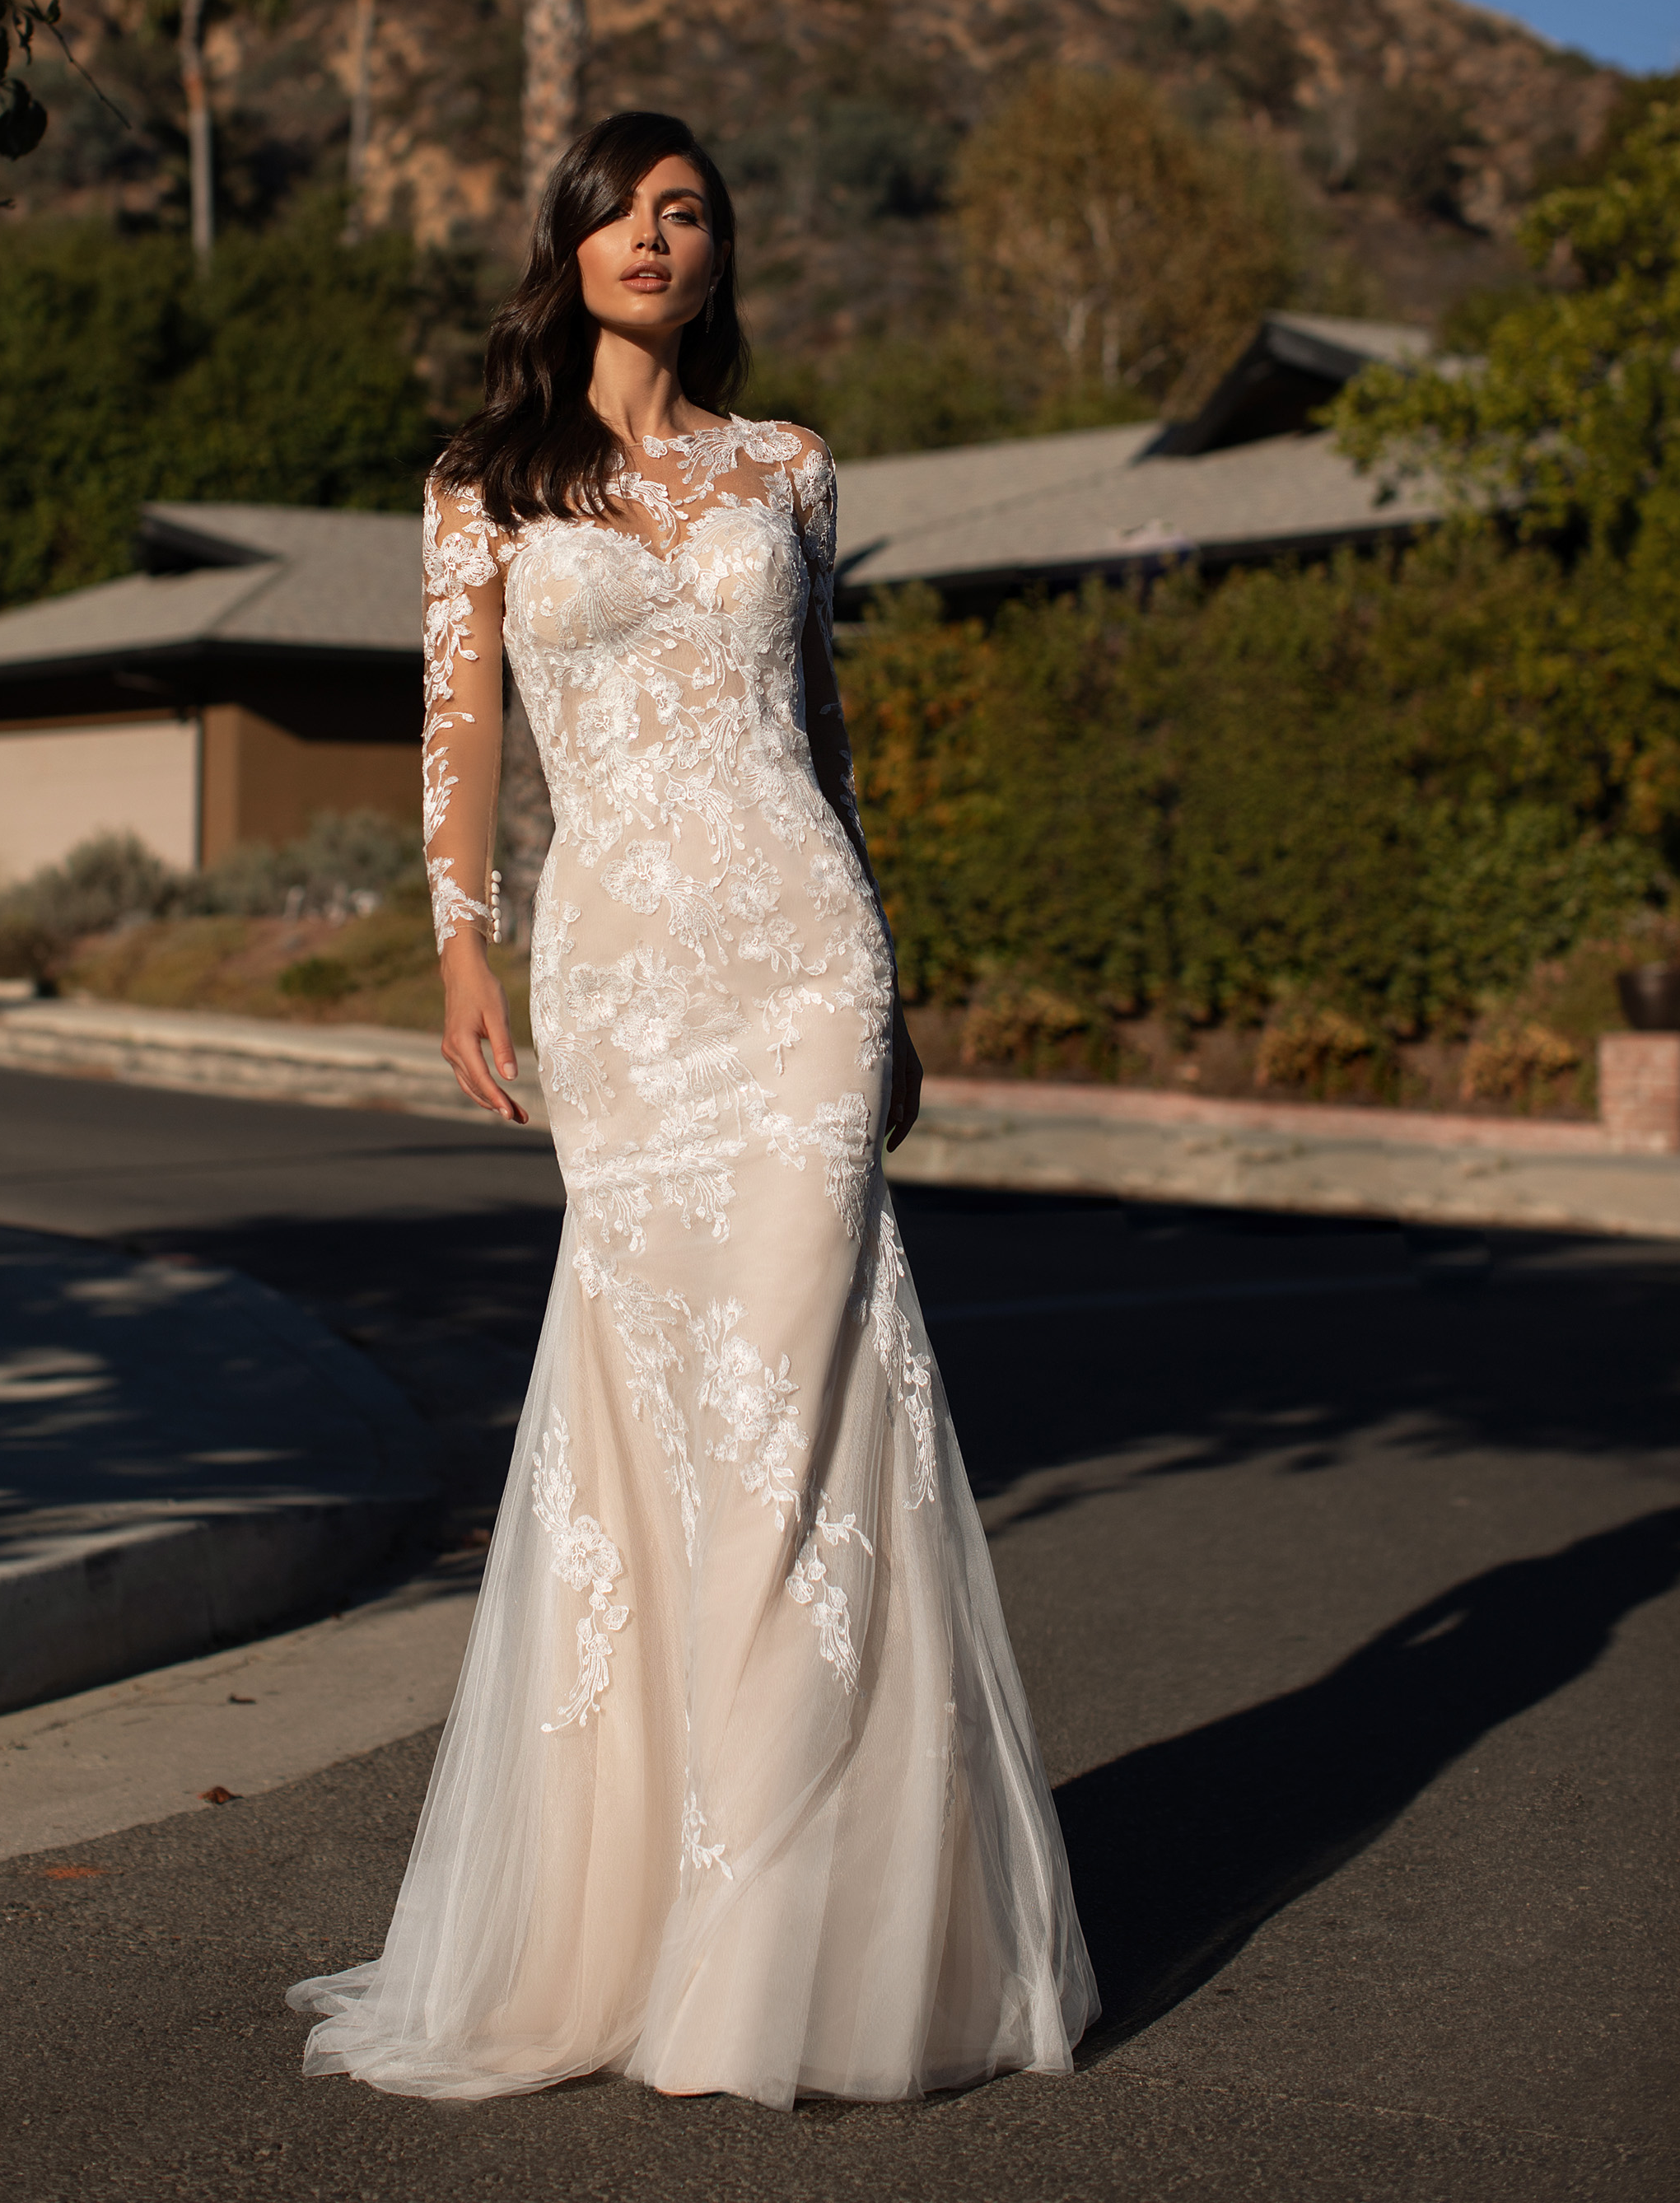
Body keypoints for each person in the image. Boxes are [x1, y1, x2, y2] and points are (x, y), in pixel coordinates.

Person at [288, 110, 1097, 2105]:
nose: (660, 235)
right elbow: (457, 741)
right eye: (625, 211)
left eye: (691, 210)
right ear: (565, 246)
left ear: (718, 251)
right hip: (625, 972)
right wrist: (461, 951)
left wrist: (886, 967)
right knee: (669, 1407)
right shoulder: (481, 487)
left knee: (810, 1380)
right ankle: (651, 1905)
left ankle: (788, 1931)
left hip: (802, 950)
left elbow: (816, 736)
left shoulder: (791, 471)